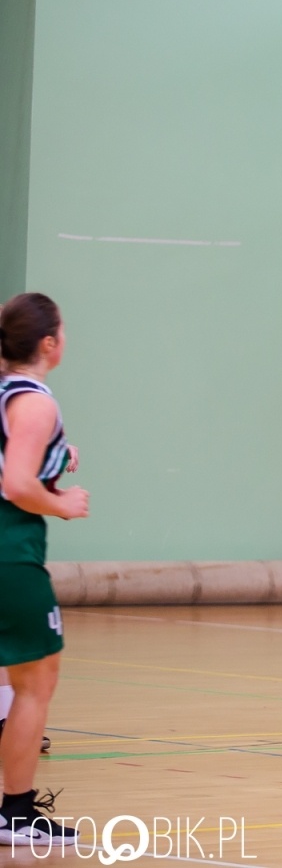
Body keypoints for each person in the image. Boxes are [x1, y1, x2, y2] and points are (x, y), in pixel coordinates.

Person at [0, 293, 89, 846]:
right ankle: (15, 812)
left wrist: (58, 455)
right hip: (10, 553)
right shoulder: (35, 403)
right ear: (49, 342)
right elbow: (15, 483)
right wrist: (62, 502)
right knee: (37, 680)